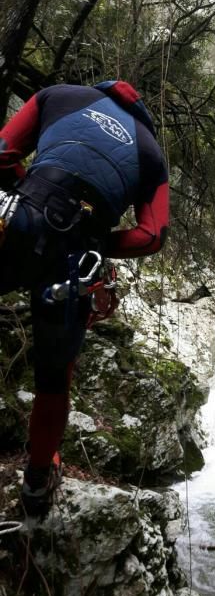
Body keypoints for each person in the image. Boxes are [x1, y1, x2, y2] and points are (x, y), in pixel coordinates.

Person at [0, 81, 169, 517]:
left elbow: (2, 153)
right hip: (77, 259)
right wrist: (95, 241)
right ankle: (37, 484)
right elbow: (153, 235)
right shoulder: (151, 151)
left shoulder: (58, 96)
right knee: (54, 379)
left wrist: (28, 195)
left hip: (19, 216)